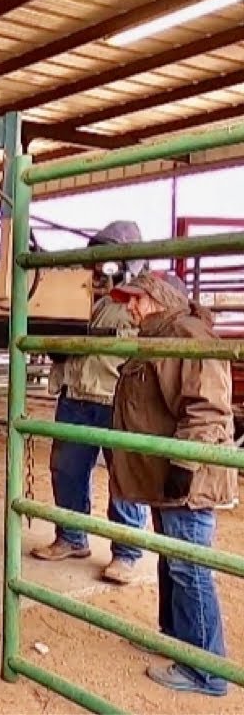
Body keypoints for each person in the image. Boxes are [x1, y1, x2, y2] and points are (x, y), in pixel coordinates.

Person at [108, 270, 235, 697]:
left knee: (188, 566)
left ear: (160, 298)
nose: (131, 306)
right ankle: (180, 643)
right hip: (166, 478)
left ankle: (207, 669)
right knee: (174, 560)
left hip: (187, 480)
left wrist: (184, 463)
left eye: (137, 299)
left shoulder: (185, 335)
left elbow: (206, 408)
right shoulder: (162, 335)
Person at [32, 220, 149, 584]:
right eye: (98, 253)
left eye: (111, 255)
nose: (101, 264)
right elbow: (58, 341)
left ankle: (126, 552)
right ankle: (71, 536)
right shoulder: (79, 291)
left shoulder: (141, 297)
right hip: (76, 394)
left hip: (118, 399)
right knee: (66, 469)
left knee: (125, 477)